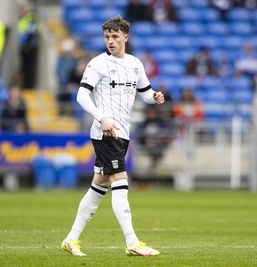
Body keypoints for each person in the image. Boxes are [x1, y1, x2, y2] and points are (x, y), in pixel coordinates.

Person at [61, 16, 164, 257]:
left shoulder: (135, 64)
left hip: (123, 132)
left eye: (115, 37)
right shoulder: (97, 64)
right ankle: (132, 242)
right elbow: (82, 96)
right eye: (107, 37)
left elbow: (145, 93)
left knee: (99, 185)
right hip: (106, 132)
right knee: (120, 181)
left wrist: (155, 97)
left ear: (125, 37)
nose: (110, 41)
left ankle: (71, 239)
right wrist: (101, 118)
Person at [17, 5, 39, 89]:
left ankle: (29, 86)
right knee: (25, 67)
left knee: (29, 67)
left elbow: (30, 32)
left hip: (28, 47)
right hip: (24, 46)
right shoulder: (24, 19)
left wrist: (27, 45)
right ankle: (25, 85)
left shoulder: (31, 19)